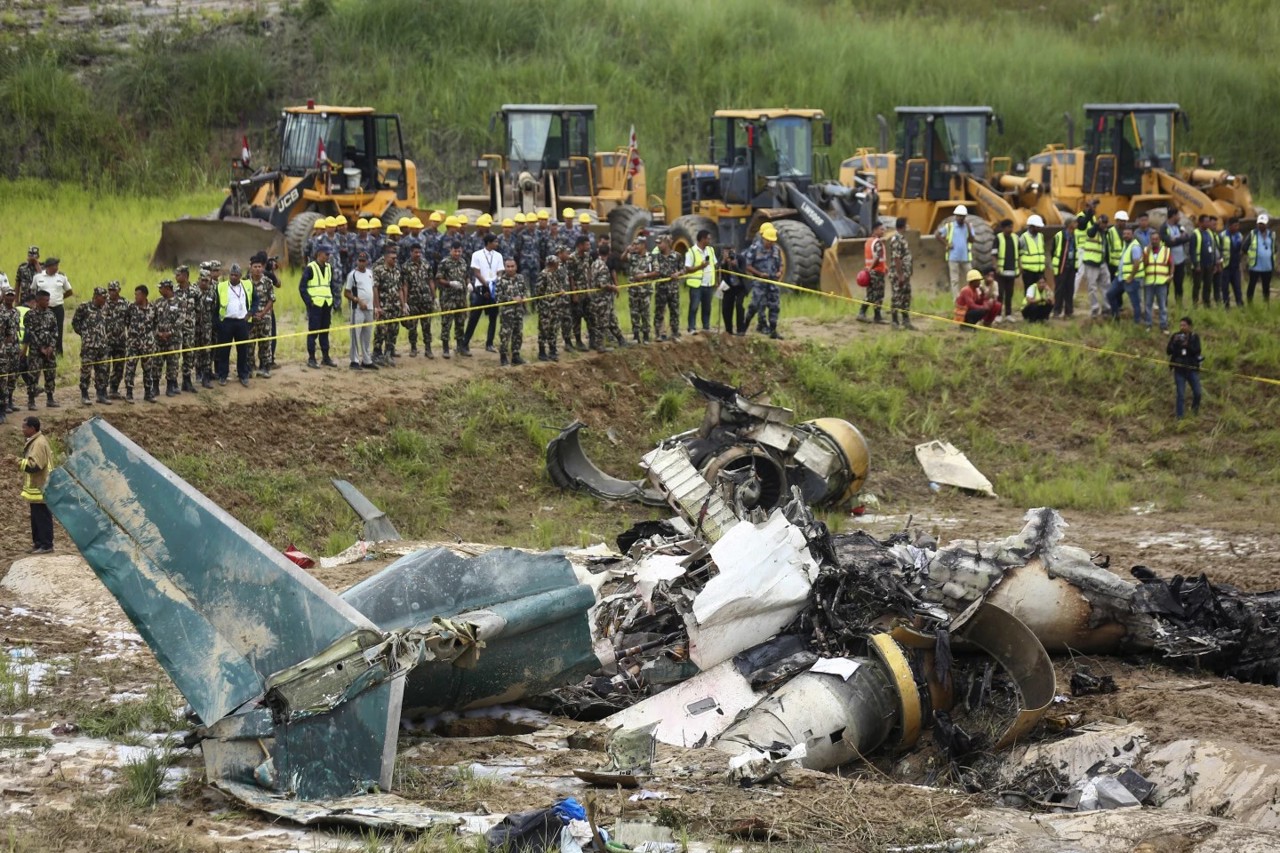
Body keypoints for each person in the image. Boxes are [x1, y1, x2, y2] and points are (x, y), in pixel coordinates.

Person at [214, 264, 254, 387]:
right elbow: (215, 306)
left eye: (236, 275)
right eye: (231, 274)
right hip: (226, 323)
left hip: (242, 323)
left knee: (243, 350)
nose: (233, 277)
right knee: (224, 351)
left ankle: (243, 375)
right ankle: (223, 375)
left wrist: (251, 313)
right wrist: (218, 323)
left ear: (240, 276)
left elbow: (256, 300)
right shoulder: (221, 287)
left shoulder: (247, 285)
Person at [71, 286, 112, 406]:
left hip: (103, 346)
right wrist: (85, 334)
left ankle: (101, 394)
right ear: (96, 297)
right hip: (89, 346)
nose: (105, 300)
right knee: (86, 371)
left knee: (103, 371)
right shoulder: (84, 307)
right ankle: (84, 394)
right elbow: (75, 323)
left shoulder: (105, 308)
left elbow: (107, 323)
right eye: (103, 297)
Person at [19, 416, 54, 553]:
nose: (22, 430)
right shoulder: (34, 441)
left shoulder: (38, 443)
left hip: (42, 487)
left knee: (42, 517)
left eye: (24, 427)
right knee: (36, 518)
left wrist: (18, 462)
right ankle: (38, 543)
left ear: (32, 428)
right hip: (36, 488)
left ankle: (46, 545)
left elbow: (35, 466)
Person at [465, 233, 503, 355]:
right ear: (489, 242)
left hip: (494, 288)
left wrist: (495, 283)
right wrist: (487, 285)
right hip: (481, 288)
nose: (497, 244)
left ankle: (490, 343)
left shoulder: (498, 256)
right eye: (495, 242)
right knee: (474, 317)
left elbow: (500, 271)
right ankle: (465, 344)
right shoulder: (477, 255)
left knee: (493, 317)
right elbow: (476, 272)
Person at [299, 246, 337, 368]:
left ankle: (326, 357)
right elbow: (302, 287)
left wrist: (333, 301)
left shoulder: (329, 268)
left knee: (325, 331)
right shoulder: (310, 268)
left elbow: (330, 286)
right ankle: (311, 358)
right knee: (313, 331)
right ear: (319, 254)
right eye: (326, 254)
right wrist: (309, 302)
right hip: (315, 305)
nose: (328, 256)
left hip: (326, 304)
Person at [744, 224, 783, 337]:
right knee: (756, 305)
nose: (770, 243)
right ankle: (744, 327)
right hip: (759, 282)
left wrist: (780, 272)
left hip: (772, 282)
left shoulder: (776, 249)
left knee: (774, 305)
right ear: (763, 238)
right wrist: (760, 274)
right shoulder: (755, 248)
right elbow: (747, 265)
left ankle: (773, 330)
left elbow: (780, 264)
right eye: (768, 241)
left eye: (772, 241)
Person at [22, 290, 59, 409]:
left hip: (49, 351)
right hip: (35, 352)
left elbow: (55, 332)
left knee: (50, 374)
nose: (48, 302)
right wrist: (40, 348)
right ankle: (31, 401)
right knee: (33, 375)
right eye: (45, 300)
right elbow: (30, 333)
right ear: (38, 301)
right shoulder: (30, 315)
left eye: (49, 300)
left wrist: (51, 347)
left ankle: (50, 399)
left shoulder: (51, 314)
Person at [1075, 202, 1110, 318]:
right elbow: (1089, 231)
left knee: (1106, 285)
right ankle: (1095, 309)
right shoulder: (1086, 221)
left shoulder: (1104, 231)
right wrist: (1096, 223)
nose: (1104, 224)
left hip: (1101, 262)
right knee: (1092, 286)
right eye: (1102, 222)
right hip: (1090, 260)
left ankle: (1106, 308)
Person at [123, 284, 158, 402]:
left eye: (137, 294)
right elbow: (126, 322)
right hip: (133, 344)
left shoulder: (153, 308)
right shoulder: (131, 307)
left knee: (148, 369)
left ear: (143, 295)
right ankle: (129, 393)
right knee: (130, 368)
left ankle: (148, 393)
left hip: (147, 344)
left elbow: (155, 324)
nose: (135, 296)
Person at [31, 257, 73, 354]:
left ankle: (58, 352)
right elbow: (33, 290)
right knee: (43, 329)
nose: (57, 268)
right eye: (55, 266)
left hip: (58, 308)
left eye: (57, 265)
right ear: (48, 267)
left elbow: (70, 291)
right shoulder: (38, 277)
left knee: (58, 330)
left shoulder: (61, 277)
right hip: (43, 309)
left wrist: (60, 298)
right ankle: (43, 350)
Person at [435, 241, 469, 359]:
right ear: (451, 251)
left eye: (459, 251)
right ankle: (445, 348)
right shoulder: (444, 263)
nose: (457, 253)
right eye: (455, 251)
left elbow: (466, 276)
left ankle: (460, 347)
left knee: (460, 323)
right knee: (446, 323)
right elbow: (439, 279)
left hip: (461, 298)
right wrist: (450, 283)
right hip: (448, 298)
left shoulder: (463, 262)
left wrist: (469, 284)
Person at [372, 244, 405, 365]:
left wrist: (403, 304)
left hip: (395, 306)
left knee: (393, 330)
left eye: (396, 258)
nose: (395, 260)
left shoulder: (397, 270)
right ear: (386, 258)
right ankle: (376, 353)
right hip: (383, 305)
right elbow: (375, 288)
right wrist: (377, 307)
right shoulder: (379, 270)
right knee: (381, 330)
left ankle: (388, 353)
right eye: (392, 258)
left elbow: (399, 288)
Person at [403, 244, 437, 359]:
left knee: (426, 325)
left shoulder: (426, 264)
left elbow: (430, 280)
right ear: (411, 252)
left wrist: (434, 297)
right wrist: (405, 302)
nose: (418, 254)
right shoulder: (406, 267)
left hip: (426, 300)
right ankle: (413, 348)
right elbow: (405, 285)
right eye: (415, 252)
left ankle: (428, 348)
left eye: (419, 252)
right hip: (413, 300)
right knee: (412, 326)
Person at [344, 251, 377, 369]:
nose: (361, 263)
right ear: (357, 261)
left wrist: (376, 306)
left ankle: (367, 360)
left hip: (369, 309)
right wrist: (357, 300)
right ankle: (354, 361)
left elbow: (373, 289)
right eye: (360, 261)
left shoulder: (370, 273)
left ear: (367, 262)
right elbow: (346, 293)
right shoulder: (352, 275)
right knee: (355, 335)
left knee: (367, 335)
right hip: (357, 309)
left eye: (364, 261)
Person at [591, 244, 627, 351]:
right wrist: (613, 287)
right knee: (602, 322)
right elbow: (602, 284)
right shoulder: (603, 266)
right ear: (609, 253)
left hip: (602, 299)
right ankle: (600, 346)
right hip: (602, 299)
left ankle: (621, 340)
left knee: (612, 320)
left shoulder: (594, 263)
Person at [1106, 223, 1145, 323]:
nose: (1126, 236)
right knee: (1110, 294)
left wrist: (1131, 277)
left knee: (1135, 302)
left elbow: (1136, 264)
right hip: (1120, 278)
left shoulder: (1135, 247)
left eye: (1128, 234)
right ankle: (1116, 317)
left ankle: (1137, 322)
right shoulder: (1126, 245)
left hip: (1130, 279)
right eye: (1124, 234)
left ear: (1132, 235)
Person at [494, 257, 528, 366]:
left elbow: (525, 292)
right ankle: (503, 357)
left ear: (516, 267)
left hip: (519, 311)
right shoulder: (500, 280)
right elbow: (498, 298)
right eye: (507, 266)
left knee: (518, 333)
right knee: (505, 334)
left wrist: (523, 297)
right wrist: (511, 299)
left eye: (512, 266)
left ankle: (516, 356)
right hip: (506, 313)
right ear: (504, 267)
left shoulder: (520, 278)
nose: (510, 269)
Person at [536, 249, 568, 362]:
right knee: (544, 329)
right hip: (546, 307)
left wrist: (560, 291)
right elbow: (539, 291)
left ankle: (553, 349)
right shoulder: (543, 275)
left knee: (554, 328)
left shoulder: (556, 274)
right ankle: (542, 351)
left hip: (556, 306)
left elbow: (558, 286)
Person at [1167, 317, 1202, 418]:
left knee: (1197, 393)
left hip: (1192, 369)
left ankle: (1194, 412)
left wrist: (1187, 345)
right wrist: (1174, 343)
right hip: (1179, 369)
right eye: (1181, 325)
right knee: (1181, 395)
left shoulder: (1195, 337)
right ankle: (1180, 417)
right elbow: (1168, 351)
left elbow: (1197, 350)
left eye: (1184, 325)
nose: (1182, 327)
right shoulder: (1175, 336)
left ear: (1189, 326)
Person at [623, 234, 655, 343]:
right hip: (633, 290)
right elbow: (622, 259)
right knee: (634, 313)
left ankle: (646, 336)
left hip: (645, 290)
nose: (635, 247)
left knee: (645, 313)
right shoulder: (632, 256)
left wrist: (644, 275)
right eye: (634, 244)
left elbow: (657, 271)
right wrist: (627, 250)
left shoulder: (650, 257)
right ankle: (636, 336)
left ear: (643, 245)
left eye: (637, 244)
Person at [650, 236, 682, 342]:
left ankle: (675, 333)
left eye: (660, 243)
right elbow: (655, 271)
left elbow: (683, 269)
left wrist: (678, 273)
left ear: (667, 243)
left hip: (673, 289)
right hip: (661, 289)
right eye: (657, 243)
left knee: (674, 311)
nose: (658, 246)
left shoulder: (677, 256)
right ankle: (659, 334)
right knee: (659, 312)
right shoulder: (656, 257)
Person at [684, 230, 717, 333]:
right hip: (697, 284)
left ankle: (706, 327)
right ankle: (691, 327)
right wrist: (700, 267)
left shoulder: (710, 250)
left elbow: (714, 265)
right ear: (702, 239)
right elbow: (688, 269)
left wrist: (716, 280)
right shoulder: (691, 252)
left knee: (707, 307)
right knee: (694, 306)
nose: (709, 240)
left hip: (708, 284)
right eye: (708, 238)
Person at [154, 279, 183, 397]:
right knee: (156, 364)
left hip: (173, 339)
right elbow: (153, 320)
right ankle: (155, 388)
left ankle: (170, 387)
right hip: (159, 340)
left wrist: (170, 332)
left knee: (172, 364)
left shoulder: (180, 302)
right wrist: (158, 333)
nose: (159, 290)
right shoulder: (157, 302)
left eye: (161, 288)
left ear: (167, 289)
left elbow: (181, 319)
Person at [936, 205, 973, 296]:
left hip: (965, 257)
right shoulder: (949, 226)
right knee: (955, 280)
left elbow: (972, 240)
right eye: (959, 216)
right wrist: (947, 244)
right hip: (953, 257)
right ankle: (957, 300)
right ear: (956, 216)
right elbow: (937, 234)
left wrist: (968, 228)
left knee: (971, 277)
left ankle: (971, 296)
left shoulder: (968, 227)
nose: (960, 218)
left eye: (962, 216)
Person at [174, 265, 200, 393]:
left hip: (190, 328)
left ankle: (187, 380)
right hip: (176, 329)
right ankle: (172, 382)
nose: (176, 277)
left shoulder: (195, 291)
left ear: (185, 276)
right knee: (174, 355)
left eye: (178, 274)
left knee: (189, 354)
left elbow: (199, 309)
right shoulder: (173, 291)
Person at [566, 236, 595, 350]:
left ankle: (592, 341)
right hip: (577, 292)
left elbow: (589, 270)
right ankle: (578, 341)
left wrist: (590, 286)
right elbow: (570, 277)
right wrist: (574, 294)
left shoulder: (588, 256)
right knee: (577, 317)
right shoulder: (572, 258)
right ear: (579, 246)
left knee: (591, 316)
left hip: (587, 291)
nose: (589, 246)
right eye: (586, 244)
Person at [857, 221, 888, 324]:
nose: (883, 231)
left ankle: (863, 313)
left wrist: (884, 267)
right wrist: (871, 268)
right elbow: (877, 257)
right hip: (877, 272)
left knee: (870, 294)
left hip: (872, 272)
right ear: (875, 230)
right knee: (878, 295)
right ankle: (876, 316)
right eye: (881, 229)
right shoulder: (878, 242)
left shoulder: (869, 241)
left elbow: (873, 257)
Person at [1160, 209, 1193, 306]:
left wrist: (1176, 239)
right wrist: (1179, 239)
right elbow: (1168, 242)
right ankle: (1164, 305)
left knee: (1179, 284)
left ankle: (1179, 304)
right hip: (1168, 261)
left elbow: (1187, 237)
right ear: (1173, 216)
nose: (1179, 218)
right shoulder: (1164, 227)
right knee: (1166, 285)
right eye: (1178, 215)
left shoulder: (1179, 226)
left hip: (1180, 260)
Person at [1143, 231, 1172, 334]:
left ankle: (1163, 326)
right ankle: (1148, 325)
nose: (1154, 241)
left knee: (1162, 305)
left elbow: (1171, 264)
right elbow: (1144, 264)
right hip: (1149, 282)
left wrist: (1171, 275)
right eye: (1153, 239)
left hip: (1161, 282)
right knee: (1148, 304)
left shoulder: (1166, 250)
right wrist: (1147, 252)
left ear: (1160, 240)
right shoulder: (1146, 250)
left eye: (1156, 239)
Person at [1190, 215, 1220, 308]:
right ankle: (1195, 304)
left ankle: (1207, 303)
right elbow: (1192, 251)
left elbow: (1213, 248)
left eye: (1208, 221)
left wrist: (1214, 263)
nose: (1208, 223)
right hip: (1199, 264)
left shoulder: (1209, 233)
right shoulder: (1195, 234)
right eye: (1206, 222)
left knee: (1207, 285)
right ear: (1200, 222)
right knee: (1197, 285)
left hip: (1209, 264)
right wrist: (1196, 264)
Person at [104, 281, 128, 398]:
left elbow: (129, 320)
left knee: (119, 366)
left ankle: (114, 389)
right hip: (106, 341)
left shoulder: (125, 303)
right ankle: (102, 390)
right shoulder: (104, 303)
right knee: (104, 367)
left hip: (120, 341)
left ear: (119, 290)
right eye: (110, 290)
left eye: (114, 290)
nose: (111, 292)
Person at [993, 219, 1019, 323]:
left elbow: (1019, 254)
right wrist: (996, 267)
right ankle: (998, 314)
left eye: (1012, 227)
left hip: (1012, 271)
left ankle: (1008, 314)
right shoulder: (998, 238)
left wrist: (1019, 268)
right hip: (1001, 272)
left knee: (1009, 293)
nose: (1011, 229)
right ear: (1003, 228)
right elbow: (994, 254)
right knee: (1000, 294)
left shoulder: (1015, 238)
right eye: (1009, 227)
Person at [1245, 213, 1275, 304]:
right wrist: (1251, 255)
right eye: (1259, 223)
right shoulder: (1253, 234)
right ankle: (1250, 303)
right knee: (1252, 285)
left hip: (1267, 266)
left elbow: (1275, 248)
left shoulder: (1272, 235)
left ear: (1267, 224)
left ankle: (1266, 304)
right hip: (1255, 266)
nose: (1261, 225)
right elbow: (1245, 247)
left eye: (1263, 223)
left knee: (1266, 287)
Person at [193, 268, 215, 388]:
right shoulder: (193, 292)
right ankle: (198, 373)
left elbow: (213, 308)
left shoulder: (212, 293)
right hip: (195, 327)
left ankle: (206, 377)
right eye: (203, 280)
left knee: (207, 351)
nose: (205, 283)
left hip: (207, 327)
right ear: (199, 280)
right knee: (197, 351)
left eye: (207, 281)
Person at [1051, 217, 1077, 318]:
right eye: (1074, 222)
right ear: (1069, 224)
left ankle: (1069, 311)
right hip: (1061, 267)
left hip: (1071, 266)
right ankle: (1057, 311)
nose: (1076, 224)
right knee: (1059, 289)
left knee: (1070, 289)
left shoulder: (1074, 235)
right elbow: (1053, 251)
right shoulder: (1059, 235)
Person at [0, 287, 19, 418]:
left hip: (14, 348)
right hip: (3, 350)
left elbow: (15, 331)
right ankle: (4, 404)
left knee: (13, 375)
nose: (10, 298)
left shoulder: (16, 312)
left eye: (12, 295)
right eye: (8, 295)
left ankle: (10, 401)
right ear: (3, 296)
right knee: (3, 378)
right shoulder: (1, 312)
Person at [1220, 217, 1244, 309]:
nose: (1237, 227)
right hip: (1226, 266)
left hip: (1235, 265)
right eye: (1235, 226)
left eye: (1238, 225)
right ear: (1230, 226)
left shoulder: (1240, 236)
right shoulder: (1222, 235)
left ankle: (1240, 305)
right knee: (1225, 287)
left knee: (1237, 287)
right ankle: (1226, 306)